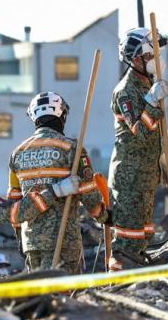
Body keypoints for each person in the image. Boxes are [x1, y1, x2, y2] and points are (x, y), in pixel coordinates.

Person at [7, 92, 107, 274]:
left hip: (31, 242)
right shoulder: (72, 149)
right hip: (63, 240)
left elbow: (14, 204)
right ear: (62, 115)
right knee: (64, 296)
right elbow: (90, 197)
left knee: (40, 297)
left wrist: (22, 239)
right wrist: (104, 216)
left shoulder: (18, 154)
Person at [108, 28, 168, 270]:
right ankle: (116, 285)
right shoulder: (126, 91)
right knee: (128, 240)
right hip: (130, 176)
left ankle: (137, 283)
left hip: (146, 175)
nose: (156, 59)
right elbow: (141, 131)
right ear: (135, 59)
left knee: (143, 236)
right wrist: (152, 102)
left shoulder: (148, 84)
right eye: (149, 55)